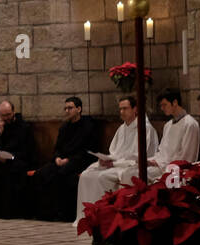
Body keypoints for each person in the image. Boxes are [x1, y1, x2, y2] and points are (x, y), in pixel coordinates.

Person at [74, 95, 157, 224]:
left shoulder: (145, 128)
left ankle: (103, 219)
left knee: (101, 177)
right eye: (120, 109)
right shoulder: (122, 128)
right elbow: (114, 152)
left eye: (125, 108)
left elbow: (138, 156)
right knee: (86, 174)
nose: (121, 112)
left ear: (135, 109)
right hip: (117, 164)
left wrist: (114, 163)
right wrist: (106, 159)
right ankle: (86, 218)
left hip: (131, 166)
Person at [31, 96, 97, 221]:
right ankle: (45, 213)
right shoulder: (64, 127)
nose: (67, 111)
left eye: (70, 108)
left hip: (79, 161)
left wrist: (69, 160)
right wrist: (57, 158)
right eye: (65, 108)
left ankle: (62, 214)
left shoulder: (88, 127)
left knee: (61, 175)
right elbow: (58, 148)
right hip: (61, 161)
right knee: (41, 174)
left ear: (79, 109)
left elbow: (88, 151)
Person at [0, 99, 36, 218]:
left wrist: (11, 158)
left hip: (17, 162)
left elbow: (28, 151)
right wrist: (0, 133)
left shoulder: (24, 127)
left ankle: (11, 213)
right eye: (3, 115)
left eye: (8, 114)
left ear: (13, 112)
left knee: (11, 175)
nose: (6, 118)